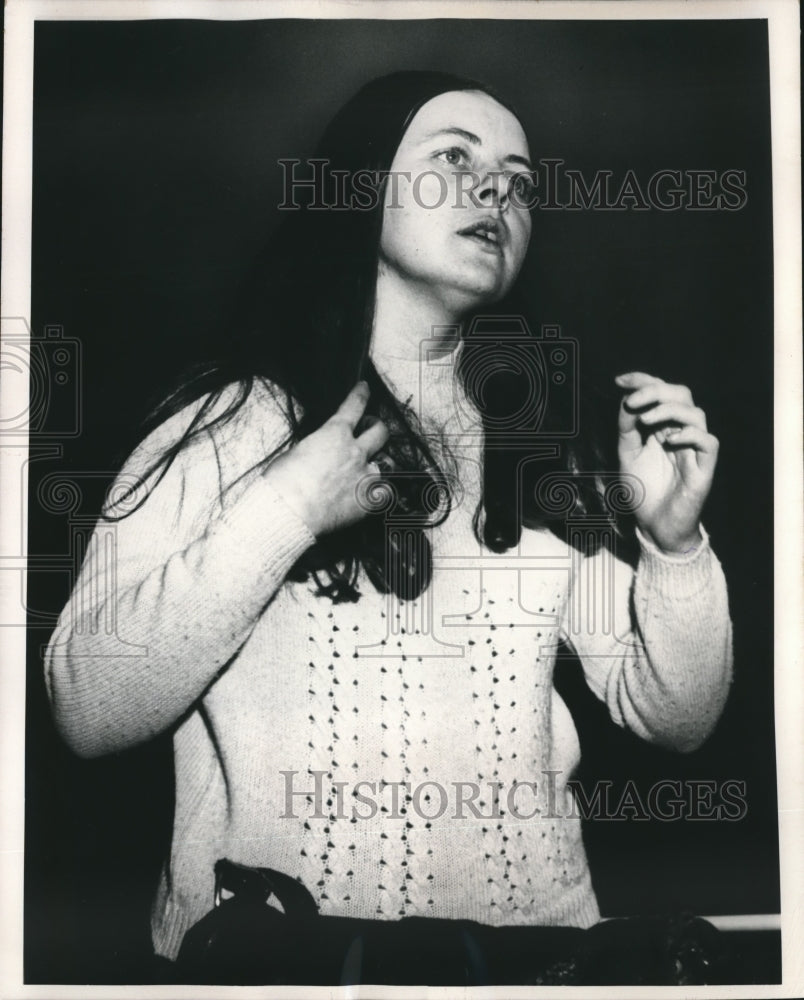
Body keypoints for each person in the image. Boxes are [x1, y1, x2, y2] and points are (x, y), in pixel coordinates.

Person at [44, 71, 733, 978]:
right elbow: (84, 704)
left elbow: (676, 716)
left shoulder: (538, 455)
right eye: (455, 157)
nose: (497, 193)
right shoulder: (224, 427)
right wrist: (287, 507)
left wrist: (674, 546)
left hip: (539, 968)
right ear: (364, 183)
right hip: (281, 969)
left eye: (520, 181)